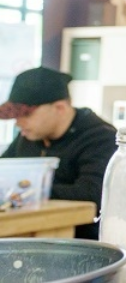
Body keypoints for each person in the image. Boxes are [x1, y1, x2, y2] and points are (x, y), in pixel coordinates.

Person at [0, 66, 117, 239]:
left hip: (77, 244)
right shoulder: (29, 135)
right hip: (24, 236)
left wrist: (28, 193)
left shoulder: (100, 138)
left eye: (26, 115)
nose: (18, 123)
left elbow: (91, 193)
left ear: (60, 108)